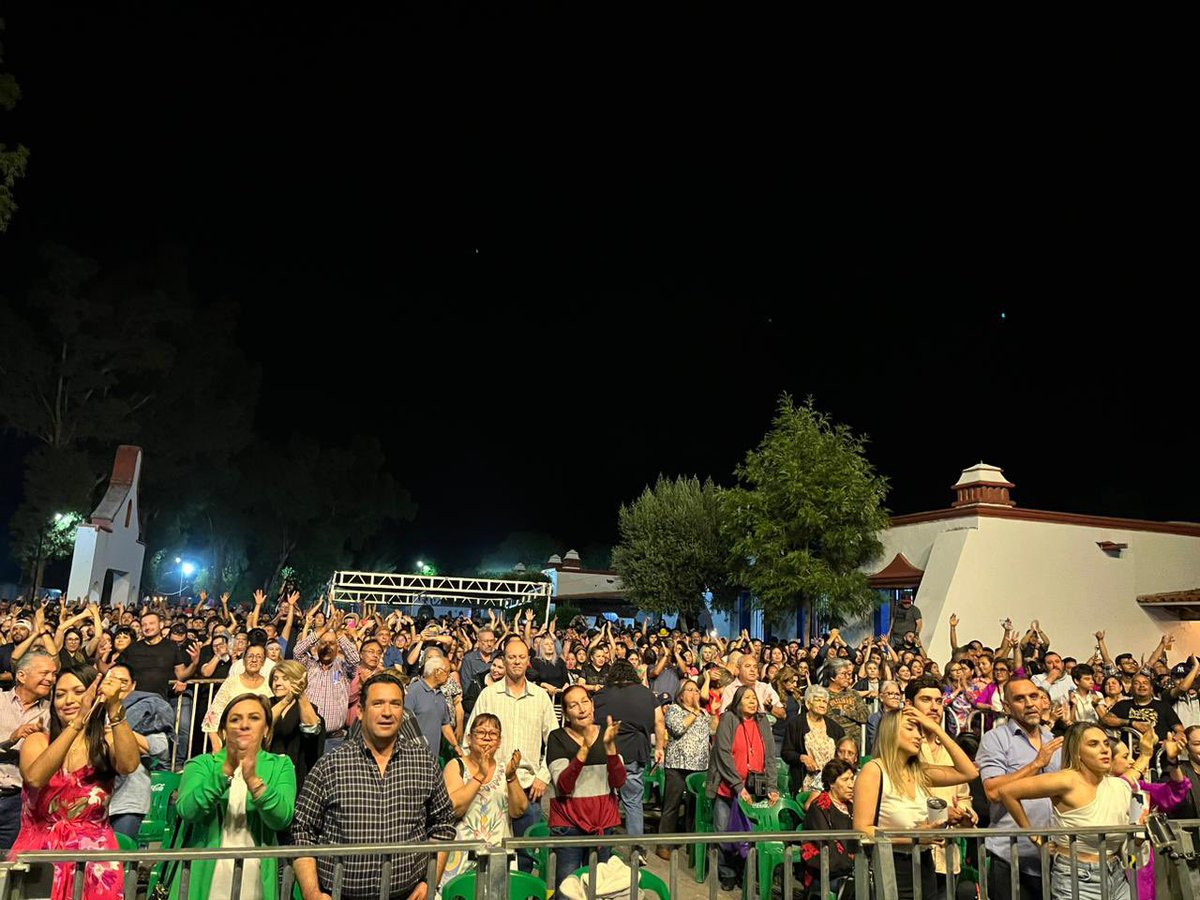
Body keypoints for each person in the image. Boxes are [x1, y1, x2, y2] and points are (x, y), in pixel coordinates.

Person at [293, 670, 456, 900]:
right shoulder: (331, 764)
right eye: (378, 704)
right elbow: (303, 829)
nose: (387, 712)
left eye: (395, 704)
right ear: (360, 711)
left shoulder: (424, 762)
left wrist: (430, 882)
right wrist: (311, 892)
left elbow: (443, 825)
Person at [10, 665, 140, 900]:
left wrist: (114, 708)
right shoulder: (38, 740)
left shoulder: (105, 742)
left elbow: (129, 765)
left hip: (95, 861)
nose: (68, 700)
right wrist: (78, 722)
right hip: (39, 856)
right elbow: (35, 778)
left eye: (78, 692)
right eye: (60, 694)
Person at [997, 722, 1154, 900]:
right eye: (1093, 744)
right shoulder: (1067, 780)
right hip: (1076, 878)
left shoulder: (1114, 784)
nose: (1105, 750)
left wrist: (1146, 754)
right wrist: (1034, 836)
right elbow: (1007, 792)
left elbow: (1131, 775)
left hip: (1116, 874)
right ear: (1077, 752)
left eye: (1105, 743)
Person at [170, 693, 296, 899]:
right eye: (235, 719)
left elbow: (282, 818)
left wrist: (255, 783)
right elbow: (187, 810)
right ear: (223, 731)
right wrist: (224, 772)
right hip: (202, 880)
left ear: (266, 730)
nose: (244, 725)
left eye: (254, 718)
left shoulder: (281, 765)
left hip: (255, 882)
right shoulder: (201, 764)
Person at [852, 708, 978, 900]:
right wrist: (913, 838)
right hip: (890, 866)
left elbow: (969, 772)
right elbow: (862, 829)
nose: (919, 736)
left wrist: (935, 728)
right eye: (910, 728)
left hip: (924, 864)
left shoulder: (919, 772)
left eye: (920, 730)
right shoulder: (874, 770)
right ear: (891, 731)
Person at [464, 636, 558, 870]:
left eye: (521, 657)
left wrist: (543, 776)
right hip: (491, 789)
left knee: (525, 860)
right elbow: (469, 739)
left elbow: (555, 743)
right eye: (511, 657)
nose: (516, 662)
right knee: (488, 859)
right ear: (503, 661)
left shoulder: (540, 698)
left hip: (528, 790)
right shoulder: (489, 695)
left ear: (529, 662)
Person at [975, 678, 1064, 899]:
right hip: (1011, 856)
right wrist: (1036, 764)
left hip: (1052, 857)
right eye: (1019, 699)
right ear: (1007, 707)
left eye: (1033, 696)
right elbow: (993, 792)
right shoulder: (995, 739)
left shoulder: (1054, 741)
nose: (1029, 703)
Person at [547, 685, 625, 889]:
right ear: (565, 713)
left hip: (603, 825)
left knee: (601, 889)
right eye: (573, 705)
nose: (581, 709)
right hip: (569, 827)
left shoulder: (607, 735)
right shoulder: (557, 738)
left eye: (584, 702)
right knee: (568, 888)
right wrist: (583, 751)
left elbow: (618, 782)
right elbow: (563, 786)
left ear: (592, 705)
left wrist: (610, 750)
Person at [436, 713, 526, 889]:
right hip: (461, 856)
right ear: (469, 739)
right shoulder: (456, 766)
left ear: (499, 742)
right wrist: (480, 775)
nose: (487, 738)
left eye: (493, 734)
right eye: (481, 732)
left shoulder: (504, 769)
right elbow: (454, 808)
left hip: (498, 855)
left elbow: (519, 810)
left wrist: (511, 778)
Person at [707, 684, 779, 891]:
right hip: (728, 788)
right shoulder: (729, 719)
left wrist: (772, 785)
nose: (752, 702)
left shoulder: (762, 721)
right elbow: (723, 754)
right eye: (747, 698)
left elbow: (770, 755)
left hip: (754, 788)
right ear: (738, 701)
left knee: (749, 833)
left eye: (754, 698)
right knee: (724, 832)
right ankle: (727, 873)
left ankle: (745, 873)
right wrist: (738, 786)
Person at [593, 658, 665, 862]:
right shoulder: (646, 694)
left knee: (607, 801)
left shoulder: (601, 694)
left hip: (607, 752)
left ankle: (602, 849)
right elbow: (659, 721)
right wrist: (659, 747)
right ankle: (638, 852)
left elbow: (591, 723)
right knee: (633, 802)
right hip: (635, 753)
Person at [119, 610, 201, 767]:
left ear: (161, 625)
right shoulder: (133, 648)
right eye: (144, 624)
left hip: (159, 702)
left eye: (151, 623)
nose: (147, 627)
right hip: (135, 701)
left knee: (157, 743)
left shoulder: (171, 647)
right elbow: (118, 670)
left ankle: (164, 773)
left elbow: (181, 674)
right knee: (131, 739)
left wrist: (194, 663)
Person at [105, 663, 175, 838]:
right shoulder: (95, 711)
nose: (118, 686)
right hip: (98, 800)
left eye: (123, 681)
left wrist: (120, 729)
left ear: (133, 685)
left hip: (128, 800)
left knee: (118, 859)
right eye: (112, 680)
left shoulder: (147, 708)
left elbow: (160, 748)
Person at [0, 649, 57, 849]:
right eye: (44, 673)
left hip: (19, 803)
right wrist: (10, 740)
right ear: (21, 676)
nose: (50, 679)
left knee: (9, 867)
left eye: (53, 674)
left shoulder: (53, 713)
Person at [656, 678, 717, 860]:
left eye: (696, 690)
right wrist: (695, 712)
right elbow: (678, 728)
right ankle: (664, 844)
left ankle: (693, 846)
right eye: (689, 690)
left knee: (693, 808)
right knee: (672, 806)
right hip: (677, 765)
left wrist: (711, 715)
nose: (694, 693)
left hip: (699, 767)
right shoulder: (674, 710)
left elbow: (713, 731)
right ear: (681, 695)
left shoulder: (704, 713)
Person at [291, 612, 360, 752]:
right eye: (323, 643)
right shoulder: (308, 665)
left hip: (334, 740)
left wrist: (339, 633)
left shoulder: (344, 668)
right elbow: (297, 651)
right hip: (308, 734)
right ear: (316, 647)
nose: (327, 646)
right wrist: (322, 630)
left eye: (332, 643)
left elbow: (354, 659)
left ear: (338, 647)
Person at [799, 758, 856, 898]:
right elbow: (825, 850)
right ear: (831, 783)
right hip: (827, 876)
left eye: (852, 779)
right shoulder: (819, 808)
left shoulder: (853, 807)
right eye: (845, 780)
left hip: (853, 871)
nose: (851, 785)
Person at [201, 644, 274, 750]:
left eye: (259, 657)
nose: (254, 660)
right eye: (250, 656)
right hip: (232, 743)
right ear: (244, 660)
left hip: (259, 746)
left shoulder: (268, 686)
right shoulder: (231, 682)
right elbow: (213, 715)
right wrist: (216, 745)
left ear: (263, 662)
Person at [267, 661, 324, 794]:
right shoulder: (265, 704)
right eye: (275, 679)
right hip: (266, 773)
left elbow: (312, 729)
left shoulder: (308, 708)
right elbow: (264, 723)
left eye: (285, 679)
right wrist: (286, 700)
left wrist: (300, 695)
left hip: (297, 775)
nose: (278, 683)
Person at [782, 683, 844, 793]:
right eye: (818, 700)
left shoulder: (836, 728)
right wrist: (803, 758)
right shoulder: (795, 724)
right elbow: (786, 752)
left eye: (824, 701)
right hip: (805, 783)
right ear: (808, 703)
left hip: (830, 783)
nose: (822, 704)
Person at [405, 656, 461, 757]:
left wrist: (455, 745)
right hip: (413, 756)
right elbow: (404, 722)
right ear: (437, 672)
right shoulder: (413, 691)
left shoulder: (440, 695)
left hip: (433, 757)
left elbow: (445, 724)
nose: (449, 676)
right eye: (447, 672)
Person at [1100, 671, 1182, 742]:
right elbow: (1106, 719)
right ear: (1131, 689)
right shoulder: (1123, 705)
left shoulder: (1163, 705)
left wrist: (1172, 741)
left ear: (1151, 688)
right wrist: (1131, 723)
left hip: (1160, 753)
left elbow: (1179, 730)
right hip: (1131, 755)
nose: (1141, 685)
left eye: (1145, 683)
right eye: (1137, 683)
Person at [824, 659, 870, 733]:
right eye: (843, 674)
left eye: (848, 674)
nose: (848, 677)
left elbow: (865, 716)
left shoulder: (853, 693)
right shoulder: (823, 694)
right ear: (832, 677)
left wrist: (844, 712)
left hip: (855, 738)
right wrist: (855, 715)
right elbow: (828, 718)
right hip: (833, 735)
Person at [866, 681, 903, 754]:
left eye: (897, 694)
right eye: (890, 694)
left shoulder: (905, 716)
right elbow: (875, 744)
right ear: (881, 697)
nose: (895, 697)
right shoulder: (874, 719)